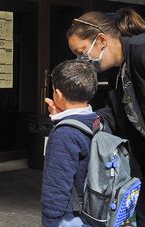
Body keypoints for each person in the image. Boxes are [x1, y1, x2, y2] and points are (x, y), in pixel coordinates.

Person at [46, 8, 145, 227]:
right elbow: (111, 117)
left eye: (82, 52)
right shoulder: (115, 73)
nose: (81, 60)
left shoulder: (140, 51)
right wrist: (72, 117)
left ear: (101, 39)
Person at [41, 60, 98, 227]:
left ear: (57, 94)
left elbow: (57, 183)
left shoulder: (64, 134)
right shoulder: (97, 121)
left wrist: (49, 220)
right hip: (93, 210)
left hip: (71, 215)